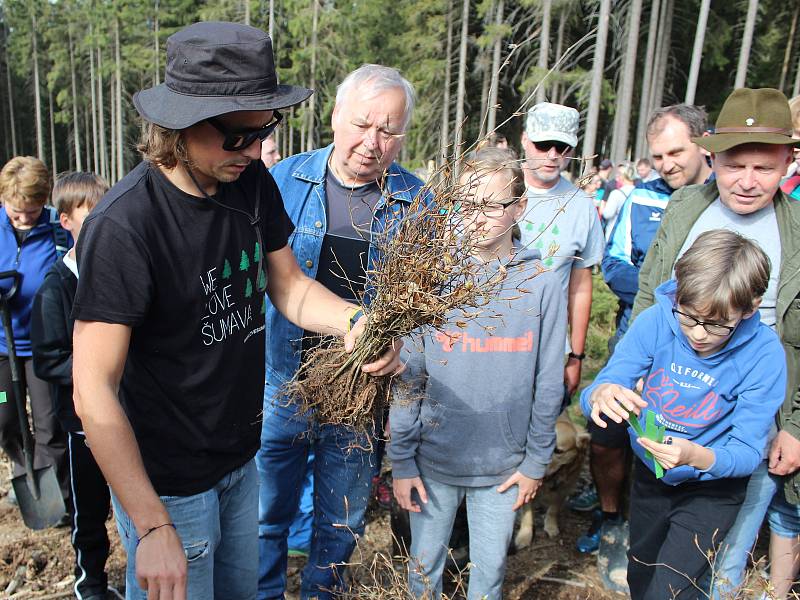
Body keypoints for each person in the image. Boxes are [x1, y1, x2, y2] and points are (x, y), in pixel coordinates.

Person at [71, 23, 401, 600]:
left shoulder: (250, 187)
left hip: (240, 462)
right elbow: (92, 389)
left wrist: (357, 323)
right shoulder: (126, 226)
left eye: (264, 131)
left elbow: (291, 287)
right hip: (169, 486)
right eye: (236, 137)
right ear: (180, 123)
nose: (254, 150)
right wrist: (150, 524)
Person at [257, 64, 424, 600]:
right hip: (280, 382)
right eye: (361, 125)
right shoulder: (281, 182)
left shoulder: (418, 205)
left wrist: (405, 347)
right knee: (264, 514)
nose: (372, 143)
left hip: (360, 397)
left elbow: (432, 311)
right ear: (334, 117)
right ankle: (259, 591)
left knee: (341, 522)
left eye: (388, 130)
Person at [632, 87, 800, 598]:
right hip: (675, 395)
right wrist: (636, 366)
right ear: (714, 156)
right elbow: (649, 291)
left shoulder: (795, 232)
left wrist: (794, 425)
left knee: (724, 549)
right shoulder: (685, 207)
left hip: (758, 408)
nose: (747, 182)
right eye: (734, 166)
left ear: (788, 162)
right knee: (658, 538)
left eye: (764, 168)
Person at [390, 147, 566, 600]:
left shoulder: (541, 284)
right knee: (423, 569)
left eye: (490, 206)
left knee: (489, 573)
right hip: (435, 462)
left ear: (519, 207)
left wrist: (535, 462)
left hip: (503, 468)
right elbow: (409, 377)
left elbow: (548, 381)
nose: (476, 218)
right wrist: (403, 460)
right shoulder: (432, 280)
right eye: (466, 205)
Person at [583, 229, 785, 599]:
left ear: (751, 307)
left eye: (717, 324)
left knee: (673, 588)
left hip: (712, 489)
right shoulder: (657, 321)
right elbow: (605, 383)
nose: (699, 334)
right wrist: (602, 393)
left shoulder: (764, 355)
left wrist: (695, 456)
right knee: (640, 575)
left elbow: (745, 452)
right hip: (650, 476)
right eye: (689, 317)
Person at [576, 106, 714, 575]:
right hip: (638, 336)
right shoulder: (641, 198)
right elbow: (614, 265)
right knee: (609, 433)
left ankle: (675, 540)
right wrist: (677, 302)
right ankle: (612, 516)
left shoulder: (724, 199)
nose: (667, 164)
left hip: (709, 351)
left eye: (676, 151)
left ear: (705, 142)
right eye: (658, 156)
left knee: (681, 441)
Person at [30, 172, 115, 600]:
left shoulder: (120, 275)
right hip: (85, 424)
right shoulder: (56, 289)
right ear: (65, 220)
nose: (102, 218)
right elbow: (48, 361)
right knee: (91, 511)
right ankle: (91, 584)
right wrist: (99, 372)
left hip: (132, 417)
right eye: (90, 212)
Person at [518, 102, 605, 403]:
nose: (553, 155)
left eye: (563, 147)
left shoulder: (581, 206)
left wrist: (576, 355)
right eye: (544, 145)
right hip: (491, 337)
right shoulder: (496, 190)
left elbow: (580, 287)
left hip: (550, 347)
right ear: (525, 140)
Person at [0, 156, 70, 511]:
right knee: (4, 415)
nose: (26, 218)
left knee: (49, 425)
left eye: (33, 209)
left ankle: (51, 492)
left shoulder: (58, 230)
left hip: (42, 347)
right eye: (17, 212)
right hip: (2, 348)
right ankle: (22, 468)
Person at [600, 161, 634, 240]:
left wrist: (603, 209)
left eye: (619, 173)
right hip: (631, 236)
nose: (617, 176)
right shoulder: (639, 192)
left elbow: (607, 214)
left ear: (623, 176)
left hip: (615, 235)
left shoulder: (616, 194)